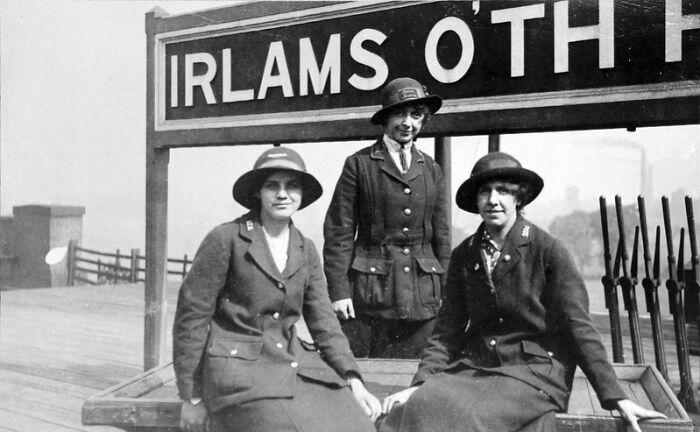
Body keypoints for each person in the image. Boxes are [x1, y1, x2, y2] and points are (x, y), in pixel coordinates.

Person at [378, 152, 666, 432]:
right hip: (476, 369)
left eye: (503, 190)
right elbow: (447, 330)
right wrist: (419, 384)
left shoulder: (547, 250)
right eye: (484, 192)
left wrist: (616, 397)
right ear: (476, 201)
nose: (493, 200)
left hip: (535, 373)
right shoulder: (464, 254)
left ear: (519, 197)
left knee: (463, 417)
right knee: (412, 408)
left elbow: (579, 327)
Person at [172, 146, 381, 432]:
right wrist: (191, 396)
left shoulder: (305, 248)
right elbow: (192, 318)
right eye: (273, 186)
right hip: (239, 376)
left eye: (292, 186)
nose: (283, 194)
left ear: (302, 194)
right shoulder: (226, 238)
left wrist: (353, 379)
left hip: (291, 366)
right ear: (258, 192)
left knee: (360, 426)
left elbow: (324, 322)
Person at [323, 77, 451, 359]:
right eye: (399, 113)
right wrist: (339, 291)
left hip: (422, 296)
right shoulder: (359, 164)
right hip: (369, 296)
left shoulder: (431, 169)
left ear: (424, 120)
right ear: (385, 119)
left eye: (416, 115)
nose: (407, 123)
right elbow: (339, 232)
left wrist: (446, 292)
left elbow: (441, 237)